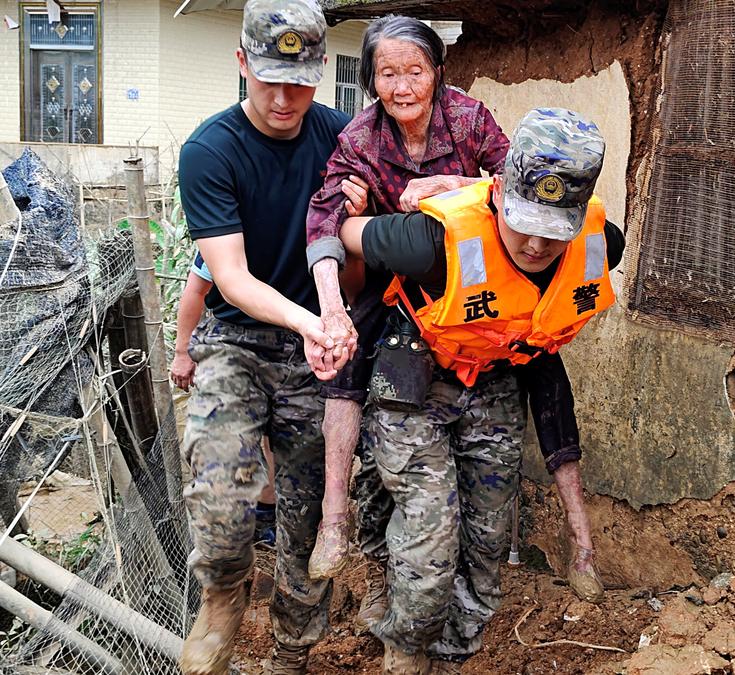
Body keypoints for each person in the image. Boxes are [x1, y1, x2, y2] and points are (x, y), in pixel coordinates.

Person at [339, 108, 623, 674]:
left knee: (488, 542)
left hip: (492, 381)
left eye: (554, 229)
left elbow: (547, 356)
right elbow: (347, 233)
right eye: (525, 223)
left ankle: (454, 654)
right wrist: (361, 211)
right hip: (414, 377)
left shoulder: (599, 244)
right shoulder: (428, 241)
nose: (539, 244)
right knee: (429, 541)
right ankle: (404, 649)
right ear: (499, 199)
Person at [302, 14, 510, 616]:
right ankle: (334, 517)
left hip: (473, 279)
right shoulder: (362, 138)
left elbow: (516, 182)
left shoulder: (469, 118)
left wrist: (452, 184)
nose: (402, 87)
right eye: (387, 74)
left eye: (414, 71)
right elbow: (324, 219)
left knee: (538, 365)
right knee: (343, 364)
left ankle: (571, 543)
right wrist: (332, 308)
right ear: (370, 79)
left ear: (437, 73)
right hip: (395, 286)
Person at [174, 0, 353, 671]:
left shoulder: (342, 138)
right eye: (269, 77)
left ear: (321, 69)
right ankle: (223, 595)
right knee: (220, 492)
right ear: (243, 62)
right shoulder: (210, 150)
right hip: (237, 343)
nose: (284, 97)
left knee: (309, 521)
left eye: (300, 80)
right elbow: (230, 276)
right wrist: (309, 318)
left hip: (321, 354)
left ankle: (292, 653)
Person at [170, 256, 277, 548]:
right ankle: (228, 532)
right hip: (231, 343)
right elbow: (196, 289)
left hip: (291, 345)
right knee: (228, 440)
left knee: (276, 438)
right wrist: (182, 352)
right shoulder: (223, 233)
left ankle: (267, 515)